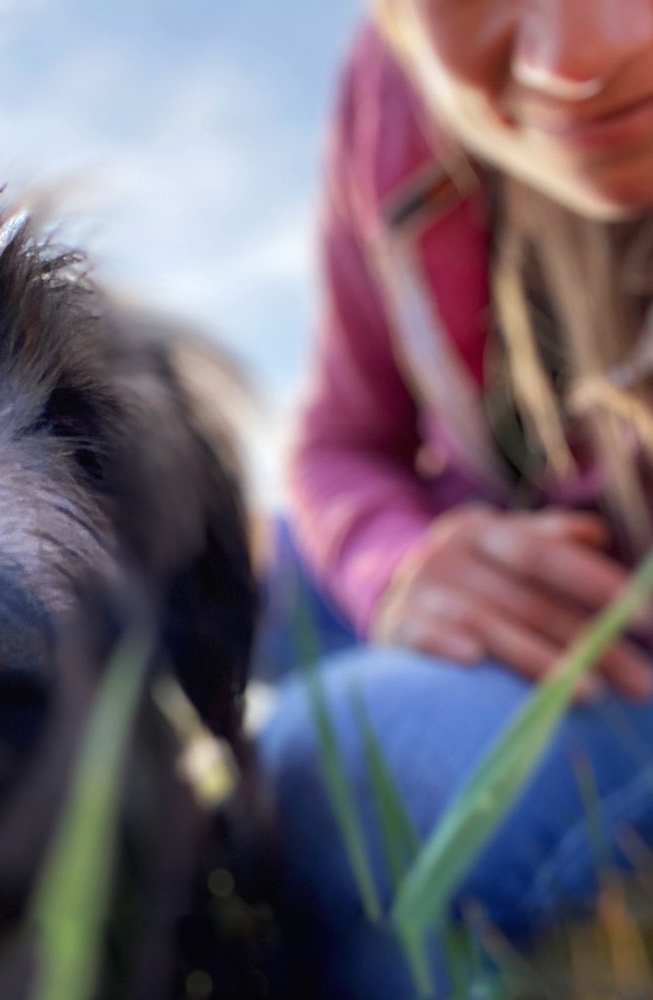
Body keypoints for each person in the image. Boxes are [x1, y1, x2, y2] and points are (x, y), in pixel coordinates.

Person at [259, 1, 653, 996]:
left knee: (339, 755)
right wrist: (400, 567)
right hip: (495, 533)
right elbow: (340, 441)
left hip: (625, 664)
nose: (575, 62)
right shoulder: (388, 89)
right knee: (238, 568)